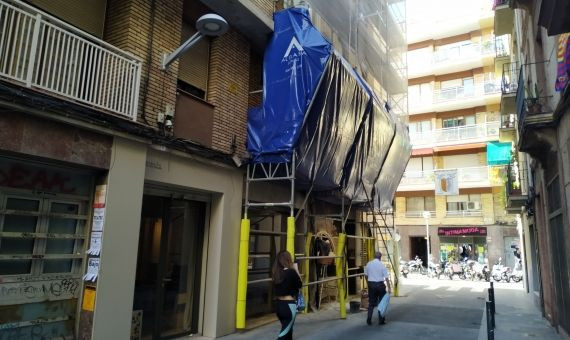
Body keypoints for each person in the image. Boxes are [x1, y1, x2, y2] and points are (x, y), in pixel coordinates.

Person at [273, 250, 302, 340]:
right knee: (284, 333)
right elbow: (300, 284)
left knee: (288, 332)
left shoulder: (276, 273)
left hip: (278, 306)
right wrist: (295, 270)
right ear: (288, 259)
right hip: (289, 306)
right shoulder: (291, 272)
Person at [364, 251, 392, 325]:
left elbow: (366, 275)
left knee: (371, 303)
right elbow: (386, 278)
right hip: (380, 285)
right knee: (381, 303)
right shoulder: (382, 265)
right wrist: (389, 288)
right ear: (380, 257)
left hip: (371, 285)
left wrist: (368, 284)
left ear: (374, 256)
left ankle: (369, 320)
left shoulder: (368, 264)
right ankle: (381, 320)